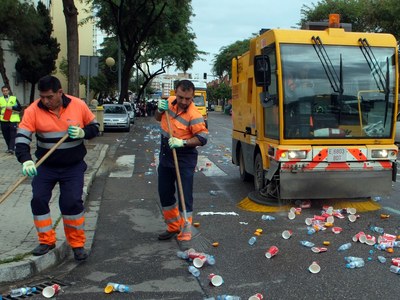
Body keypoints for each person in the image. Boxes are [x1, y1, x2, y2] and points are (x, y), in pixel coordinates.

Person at [15, 75, 99, 261]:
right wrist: (26, 160)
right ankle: (46, 241)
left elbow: (95, 127)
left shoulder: (78, 105)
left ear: (60, 92)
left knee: (71, 203)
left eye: (49, 97)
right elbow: (22, 138)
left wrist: (83, 132)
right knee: (38, 199)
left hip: (73, 166)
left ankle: (77, 245)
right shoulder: (33, 110)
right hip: (46, 166)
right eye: (42, 96)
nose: (45, 101)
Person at [155, 80, 208, 242]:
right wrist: (159, 110)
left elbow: (202, 138)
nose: (184, 102)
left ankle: (186, 228)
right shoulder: (168, 104)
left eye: (188, 99)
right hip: (166, 155)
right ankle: (173, 226)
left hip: (184, 157)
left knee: (184, 195)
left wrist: (182, 142)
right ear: (175, 93)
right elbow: (158, 118)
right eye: (181, 97)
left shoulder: (195, 115)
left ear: (192, 97)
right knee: (165, 193)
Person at [0, 85, 22, 154]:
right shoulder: (0, 99)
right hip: (4, 120)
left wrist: (12, 108)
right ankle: (9, 147)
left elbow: (19, 108)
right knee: (6, 135)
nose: (5, 92)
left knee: (13, 134)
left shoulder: (13, 99)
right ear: (2, 92)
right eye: (4, 91)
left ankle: (11, 149)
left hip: (13, 119)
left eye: (6, 91)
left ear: (8, 91)